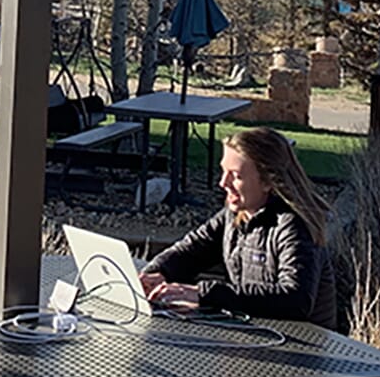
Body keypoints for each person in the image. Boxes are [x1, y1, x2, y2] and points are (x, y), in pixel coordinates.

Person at [138, 126, 336, 327]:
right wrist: (156, 274)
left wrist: (203, 293)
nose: (223, 183)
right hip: (256, 333)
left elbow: (295, 299)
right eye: (223, 171)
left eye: (236, 175)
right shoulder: (234, 214)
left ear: (268, 182)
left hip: (306, 346)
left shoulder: (293, 225)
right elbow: (193, 249)